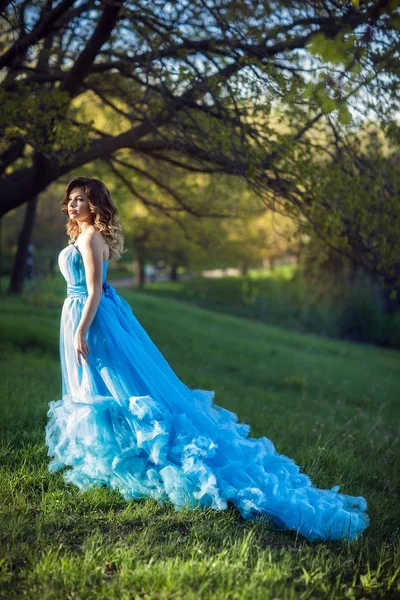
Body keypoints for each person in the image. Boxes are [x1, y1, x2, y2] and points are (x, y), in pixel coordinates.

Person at [45, 176, 370, 543]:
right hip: (89, 315)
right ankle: (115, 449)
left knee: (115, 384)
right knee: (101, 384)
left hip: (93, 319)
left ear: (95, 205)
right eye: (71, 200)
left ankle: (141, 453)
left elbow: (92, 292)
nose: (74, 205)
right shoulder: (82, 235)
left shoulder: (89, 238)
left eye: (82, 200)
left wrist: (81, 330)